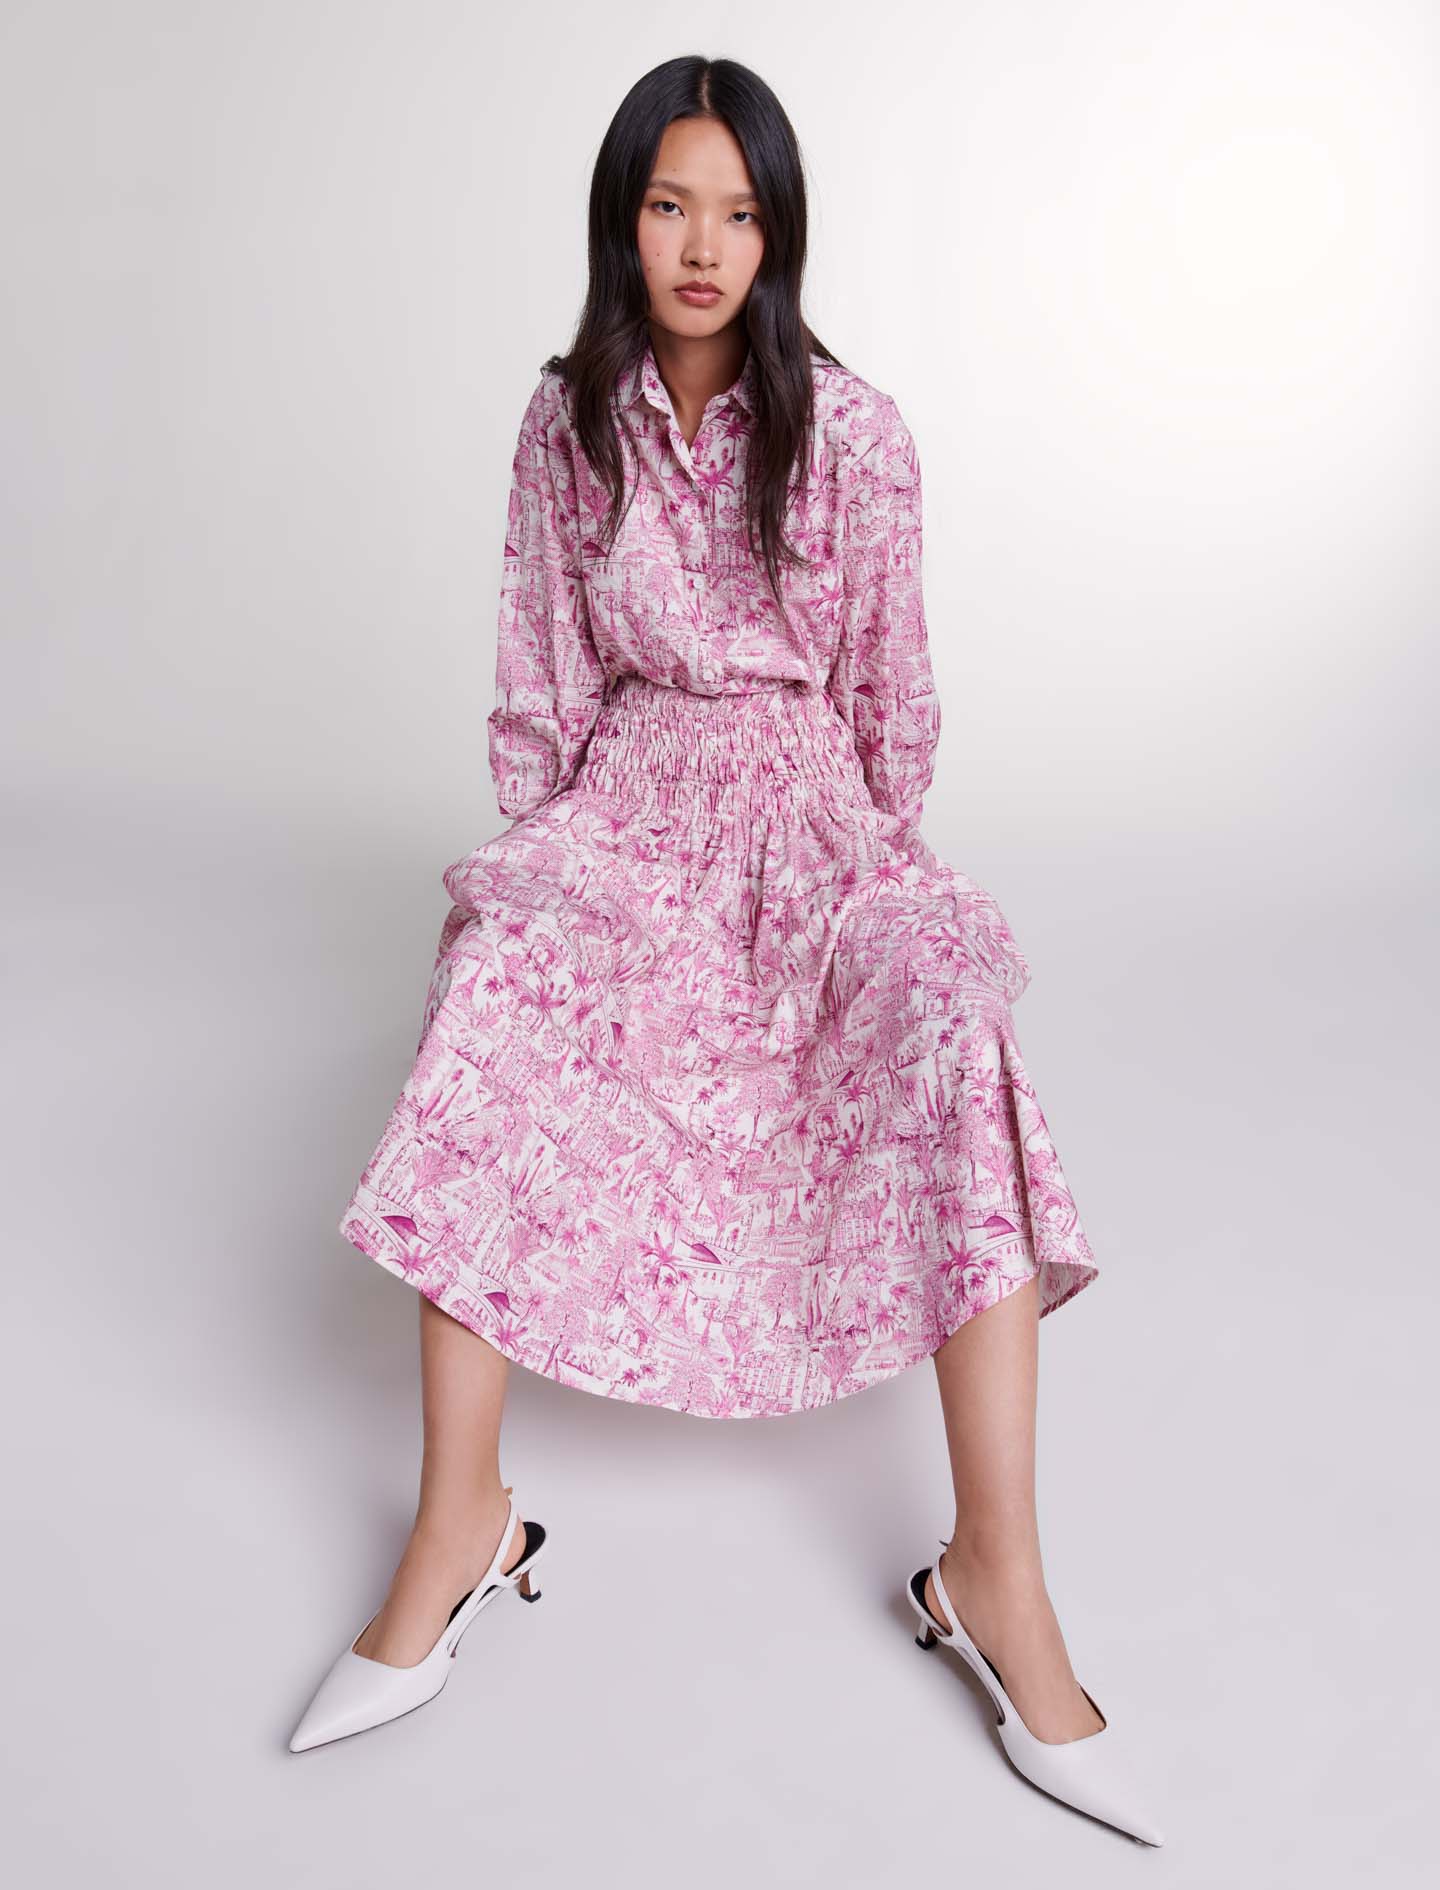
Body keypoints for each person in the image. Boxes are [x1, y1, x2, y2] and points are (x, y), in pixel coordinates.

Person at [288, 54, 1163, 1846]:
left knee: (951, 1022)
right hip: (626, 808)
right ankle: (461, 1523)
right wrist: (549, 866)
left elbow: (895, 711)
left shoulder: (858, 436)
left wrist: (839, 874)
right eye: (672, 205)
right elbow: (541, 683)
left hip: (818, 822)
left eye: (741, 212)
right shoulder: (565, 425)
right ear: (623, 221)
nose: (704, 246)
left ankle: (996, 1574)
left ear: (782, 234)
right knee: (497, 995)